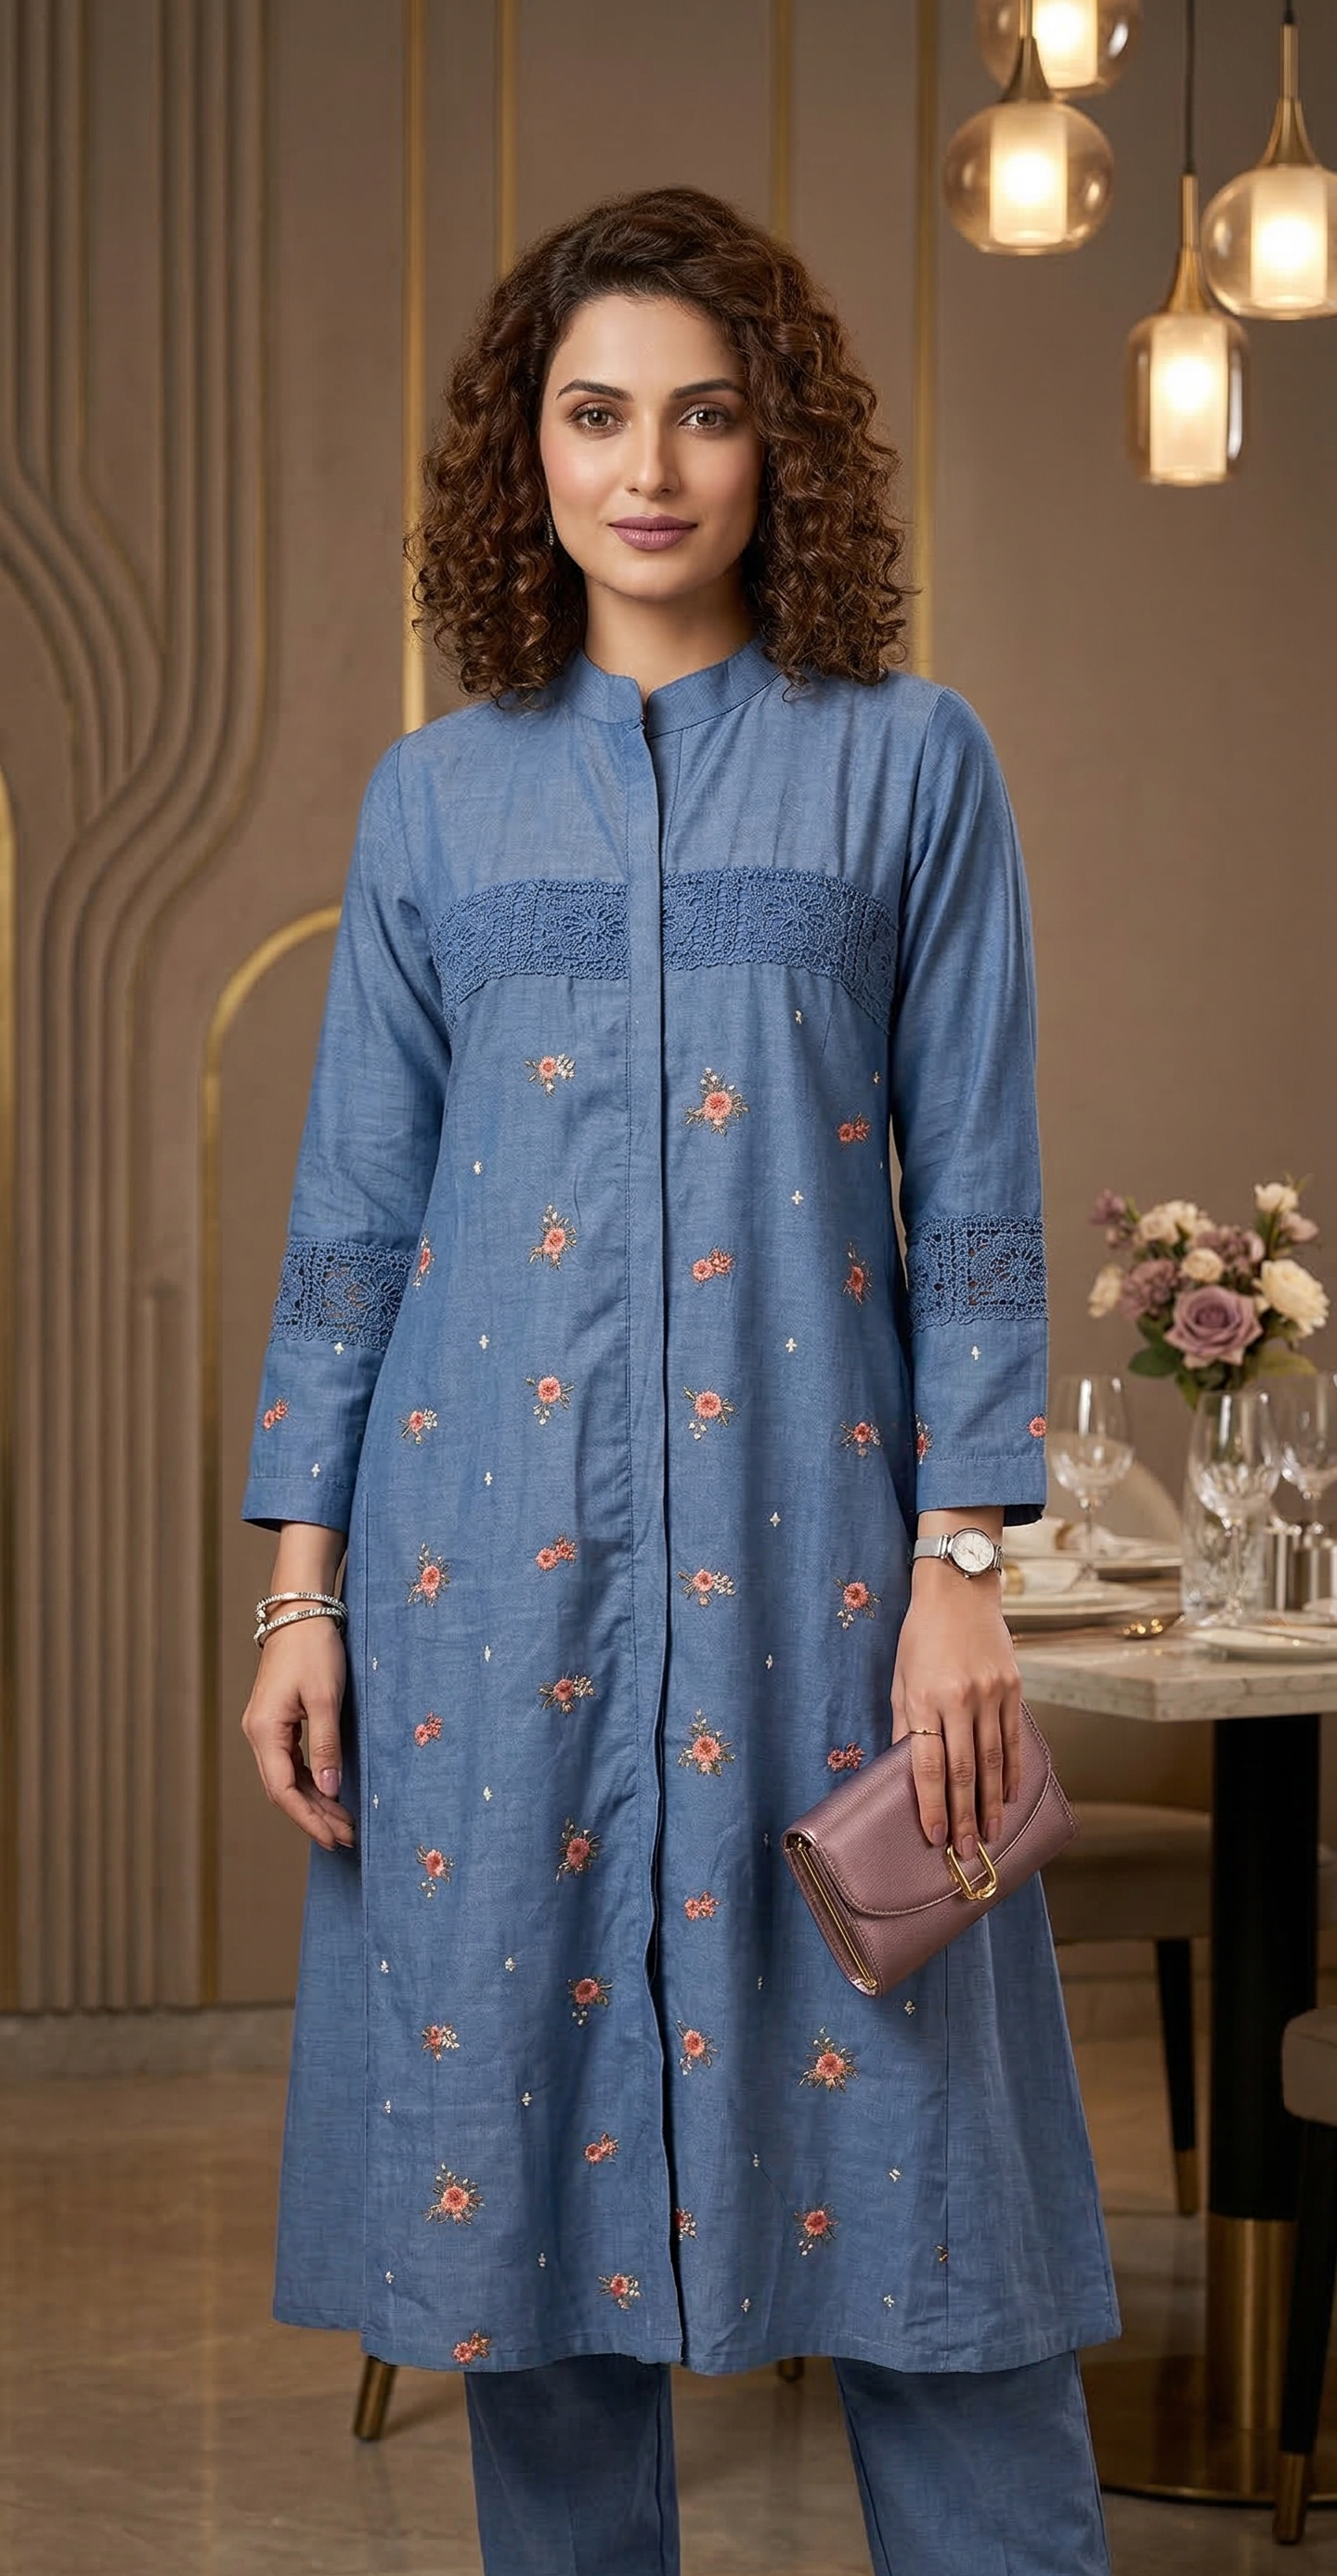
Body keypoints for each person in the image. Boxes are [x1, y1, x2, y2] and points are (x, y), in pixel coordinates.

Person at [240, 184, 1118, 2576]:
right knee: (525, 2234)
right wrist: (298, 1599)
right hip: (481, 1609)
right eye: (597, 413)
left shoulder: (905, 767)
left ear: (778, 451)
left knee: (942, 2241)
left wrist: (963, 1569)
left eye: (706, 415)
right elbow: (352, 1229)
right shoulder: (436, 804)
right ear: (522, 454)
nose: (651, 470)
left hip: (829, 1603)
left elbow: (986, 1201)